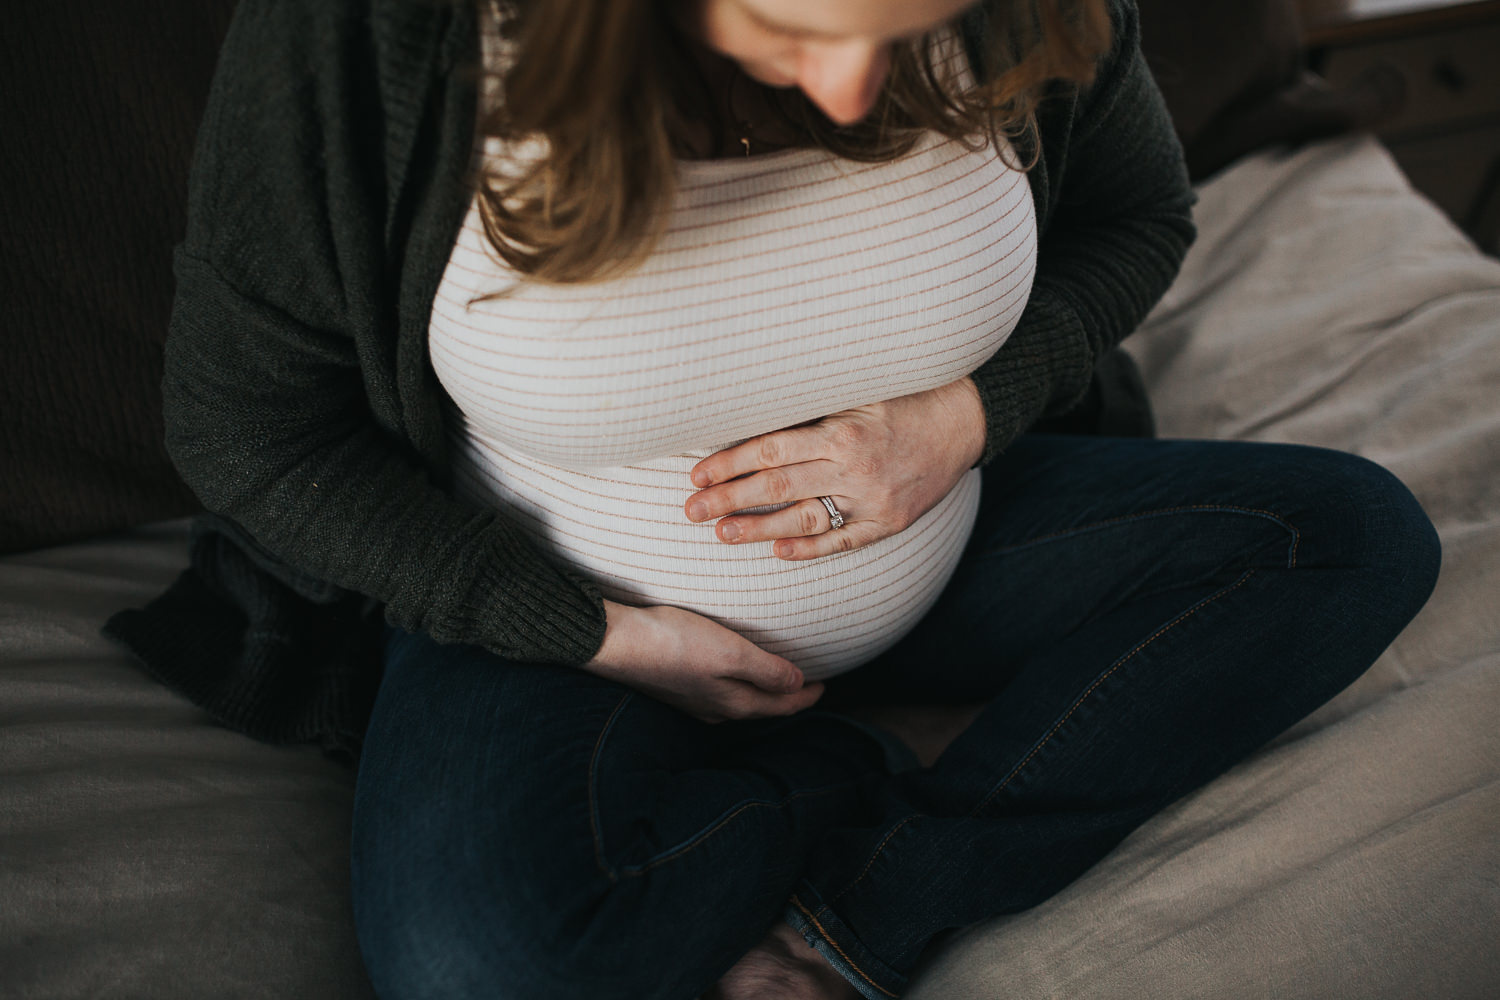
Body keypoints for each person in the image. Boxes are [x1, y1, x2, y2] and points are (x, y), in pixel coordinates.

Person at [104, 0, 1441, 997]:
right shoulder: (389, 36)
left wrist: (961, 421)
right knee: (485, 970)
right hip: (566, 609)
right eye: (785, 23)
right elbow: (244, 424)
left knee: (1348, 540)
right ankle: (839, 767)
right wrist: (598, 635)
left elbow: (1139, 216)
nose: (858, 100)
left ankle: (876, 895)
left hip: (948, 539)